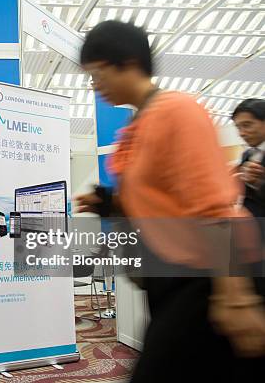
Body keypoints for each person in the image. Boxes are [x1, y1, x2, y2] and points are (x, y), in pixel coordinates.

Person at [75, 20, 265, 382]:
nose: (95, 84)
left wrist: (235, 297)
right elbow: (158, 204)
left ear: (128, 63)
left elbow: (214, 207)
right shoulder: (138, 125)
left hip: (206, 278)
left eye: (98, 73)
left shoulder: (177, 111)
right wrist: (108, 204)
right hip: (169, 280)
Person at [232, 99, 265, 217]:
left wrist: (259, 183)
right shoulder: (247, 154)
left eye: (247, 125)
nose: (242, 133)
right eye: (238, 127)